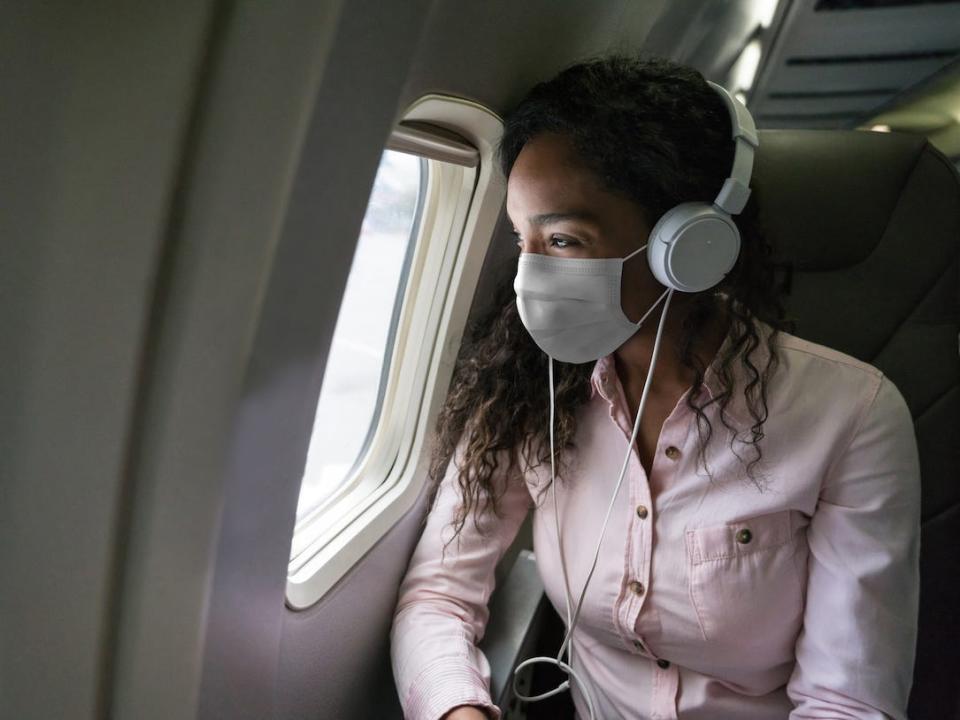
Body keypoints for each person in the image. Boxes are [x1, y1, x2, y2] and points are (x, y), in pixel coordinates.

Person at [390, 54, 921, 720]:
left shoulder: (853, 416)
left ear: (689, 244)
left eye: (563, 239)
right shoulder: (528, 386)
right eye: (520, 237)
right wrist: (459, 710)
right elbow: (439, 594)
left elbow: (846, 702)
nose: (529, 276)